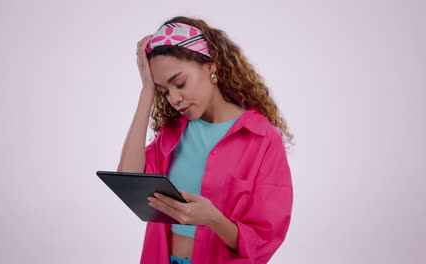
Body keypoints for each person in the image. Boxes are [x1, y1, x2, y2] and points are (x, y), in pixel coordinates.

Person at [117, 16, 294, 264]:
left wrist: (214, 219)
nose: (174, 99)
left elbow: (263, 241)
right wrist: (147, 89)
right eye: (164, 91)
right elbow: (129, 180)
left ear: (210, 66)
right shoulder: (171, 135)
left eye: (179, 83)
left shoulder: (262, 139)